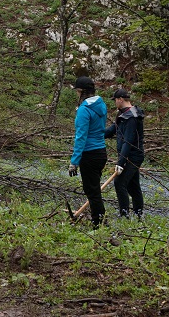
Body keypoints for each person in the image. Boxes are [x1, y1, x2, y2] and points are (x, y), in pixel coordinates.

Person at [68, 76, 108, 227]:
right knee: (95, 189)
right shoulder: (101, 105)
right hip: (101, 153)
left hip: (89, 154)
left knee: (92, 191)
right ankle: (99, 219)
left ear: (81, 91)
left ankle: (98, 223)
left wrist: (74, 161)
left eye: (77, 91)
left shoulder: (84, 110)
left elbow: (81, 137)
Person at [106, 88, 145, 219]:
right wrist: (94, 134)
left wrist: (121, 162)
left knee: (119, 183)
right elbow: (112, 130)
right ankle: (139, 215)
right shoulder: (122, 114)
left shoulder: (132, 117)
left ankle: (124, 216)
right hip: (127, 155)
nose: (115, 103)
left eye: (115, 101)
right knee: (133, 186)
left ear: (120, 100)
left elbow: (128, 141)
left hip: (133, 156)